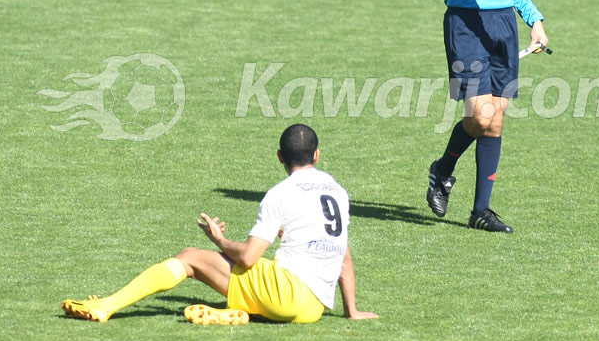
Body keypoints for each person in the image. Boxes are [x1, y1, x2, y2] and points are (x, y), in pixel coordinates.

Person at [62, 124, 378, 324]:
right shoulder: (337, 191)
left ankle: (107, 305)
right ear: (317, 155)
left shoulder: (280, 193)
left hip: (286, 295)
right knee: (259, 275)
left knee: (189, 256)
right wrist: (351, 310)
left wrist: (218, 240)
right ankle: (237, 312)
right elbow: (343, 254)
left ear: (280, 157)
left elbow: (249, 257)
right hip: (314, 309)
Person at [427, 0, 557, 233]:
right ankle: (442, 171)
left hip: (502, 22)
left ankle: (480, 211)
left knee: (494, 120)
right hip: (467, 24)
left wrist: (533, 17)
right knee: (480, 116)